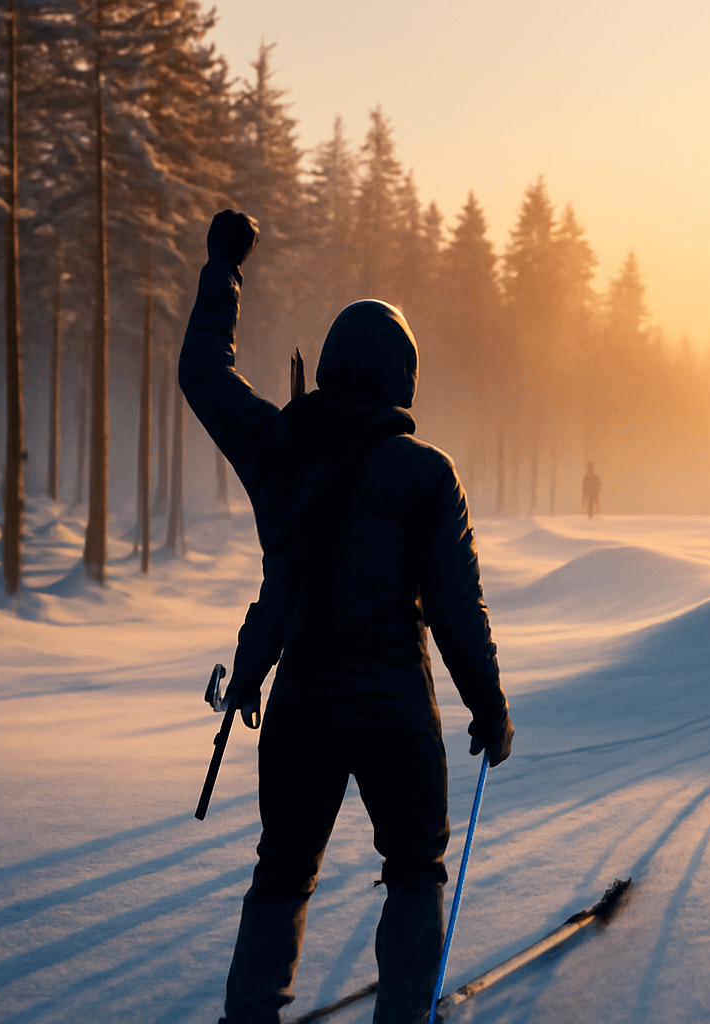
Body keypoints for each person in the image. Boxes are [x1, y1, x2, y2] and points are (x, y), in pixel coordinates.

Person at [179, 210, 514, 1024]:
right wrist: (490, 707)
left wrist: (225, 264)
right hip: (399, 710)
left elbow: (203, 373)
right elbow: (456, 606)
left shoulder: (277, 445)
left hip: (302, 706)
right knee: (413, 872)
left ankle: (250, 1016)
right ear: (405, 379)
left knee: (283, 873)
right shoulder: (427, 474)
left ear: (327, 368)